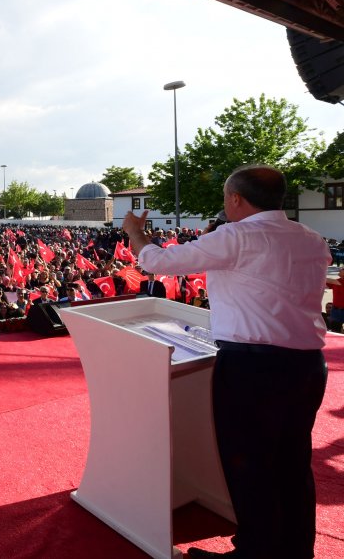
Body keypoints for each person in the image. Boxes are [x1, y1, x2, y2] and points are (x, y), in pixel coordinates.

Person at [122, 164, 329, 559]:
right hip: (306, 368)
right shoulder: (311, 238)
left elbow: (157, 263)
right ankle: (295, 550)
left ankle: (256, 551)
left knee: (251, 464)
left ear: (235, 198)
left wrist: (135, 234)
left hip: (254, 370)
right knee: (292, 463)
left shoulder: (238, 237)